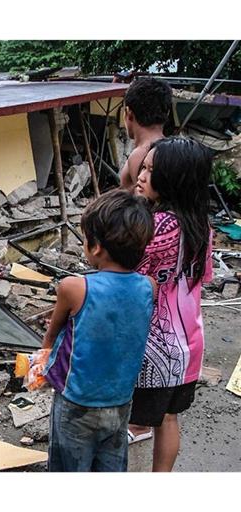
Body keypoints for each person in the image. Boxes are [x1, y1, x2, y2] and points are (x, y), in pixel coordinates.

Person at [42, 190, 156, 472]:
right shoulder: (148, 286)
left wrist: (42, 360)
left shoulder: (73, 287)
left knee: (70, 468)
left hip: (77, 402)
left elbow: (52, 335)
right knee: (109, 466)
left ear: (96, 247)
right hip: (120, 400)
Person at [130, 136, 213, 471]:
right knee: (167, 418)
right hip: (188, 341)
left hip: (157, 345)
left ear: (173, 180)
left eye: (151, 171)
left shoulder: (160, 225)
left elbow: (130, 276)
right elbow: (202, 278)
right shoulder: (200, 225)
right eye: (144, 167)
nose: (141, 176)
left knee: (129, 412)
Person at [119, 78, 173, 192]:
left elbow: (144, 205)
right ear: (167, 113)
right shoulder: (174, 152)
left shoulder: (141, 155)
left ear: (128, 114)